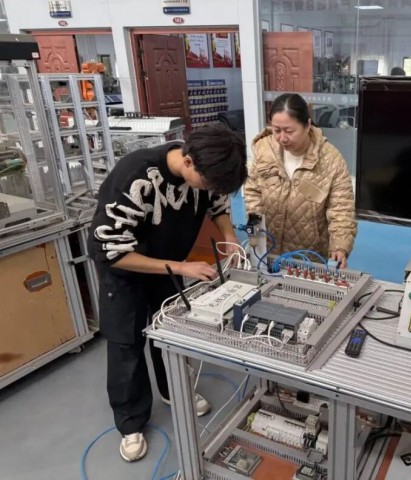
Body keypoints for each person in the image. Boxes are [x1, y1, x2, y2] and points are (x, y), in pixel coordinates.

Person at [87, 126, 247, 462]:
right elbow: (110, 251)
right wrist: (181, 267)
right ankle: (131, 422)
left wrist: (229, 236)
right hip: (126, 273)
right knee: (126, 346)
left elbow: (217, 203)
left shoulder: (205, 169)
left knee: (170, 334)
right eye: (208, 182)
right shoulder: (135, 177)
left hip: (169, 266)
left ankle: (173, 389)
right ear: (188, 162)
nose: (210, 189)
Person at [244, 93, 357, 267]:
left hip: (309, 255)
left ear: (307, 125)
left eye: (289, 131)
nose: (282, 138)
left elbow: (341, 208)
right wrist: (257, 230)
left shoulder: (330, 160)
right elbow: (253, 191)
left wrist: (340, 245)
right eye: (276, 130)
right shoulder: (264, 150)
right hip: (268, 248)